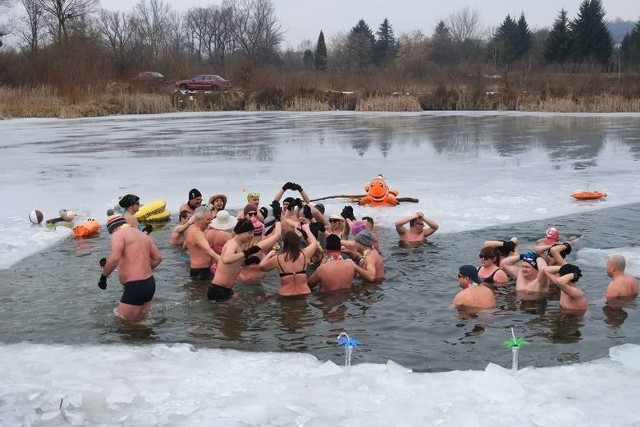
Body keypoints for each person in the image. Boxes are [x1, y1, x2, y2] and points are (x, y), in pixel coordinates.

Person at [98, 215, 163, 323]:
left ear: (113, 228)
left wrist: (103, 277)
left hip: (136, 286)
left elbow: (114, 258)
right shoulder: (142, 235)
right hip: (149, 283)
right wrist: (141, 268)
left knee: (124, 323)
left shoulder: (118, 234)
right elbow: (158, 258)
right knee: (142, 322)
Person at [208, 219, 282, 302]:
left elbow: (277, 235)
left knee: (242, 306)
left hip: (226, 289)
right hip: (218, 290)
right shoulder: (232, 244)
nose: (252, 236)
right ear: (241, 232)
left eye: (253, 233)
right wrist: (247, 252)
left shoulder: (238, 246)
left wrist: (247, 262)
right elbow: (226, 259)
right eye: (249, 233)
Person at [259, 224, 318, 297]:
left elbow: (261, 267)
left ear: (284, 243)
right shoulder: (304, 254)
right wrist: (307, 230)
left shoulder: (277, 259)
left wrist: (270, 254)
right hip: (304, 293)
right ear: (297, 243)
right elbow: (314, 243)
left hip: (286, 295)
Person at [183, 206, 220, 281]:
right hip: (202, 271)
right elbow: (207, 249)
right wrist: (221, 259)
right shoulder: (197, 233)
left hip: (197, 269)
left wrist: (194, 250)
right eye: (208, 219)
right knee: (203, 292)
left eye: (211, 219)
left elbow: (185, 246)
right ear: (198, 220)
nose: (210, 222)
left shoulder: (192, 230)